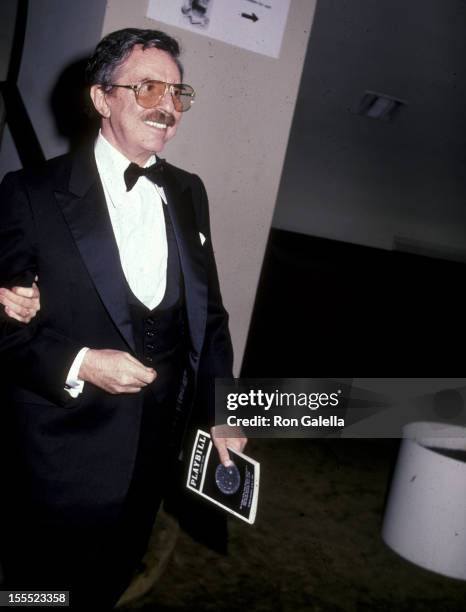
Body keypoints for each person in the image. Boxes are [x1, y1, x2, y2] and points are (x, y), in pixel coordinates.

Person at [0, 28, 245, 609]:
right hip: (57, 462)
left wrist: (223, 411)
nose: (167, 106)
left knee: (105, 588)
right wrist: (81, 363)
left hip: (153, 457)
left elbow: (210, 320)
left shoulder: (189, 192)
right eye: (147, 88)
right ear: (100, 98)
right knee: (37, 595)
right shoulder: (28, 193)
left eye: (178, 93)